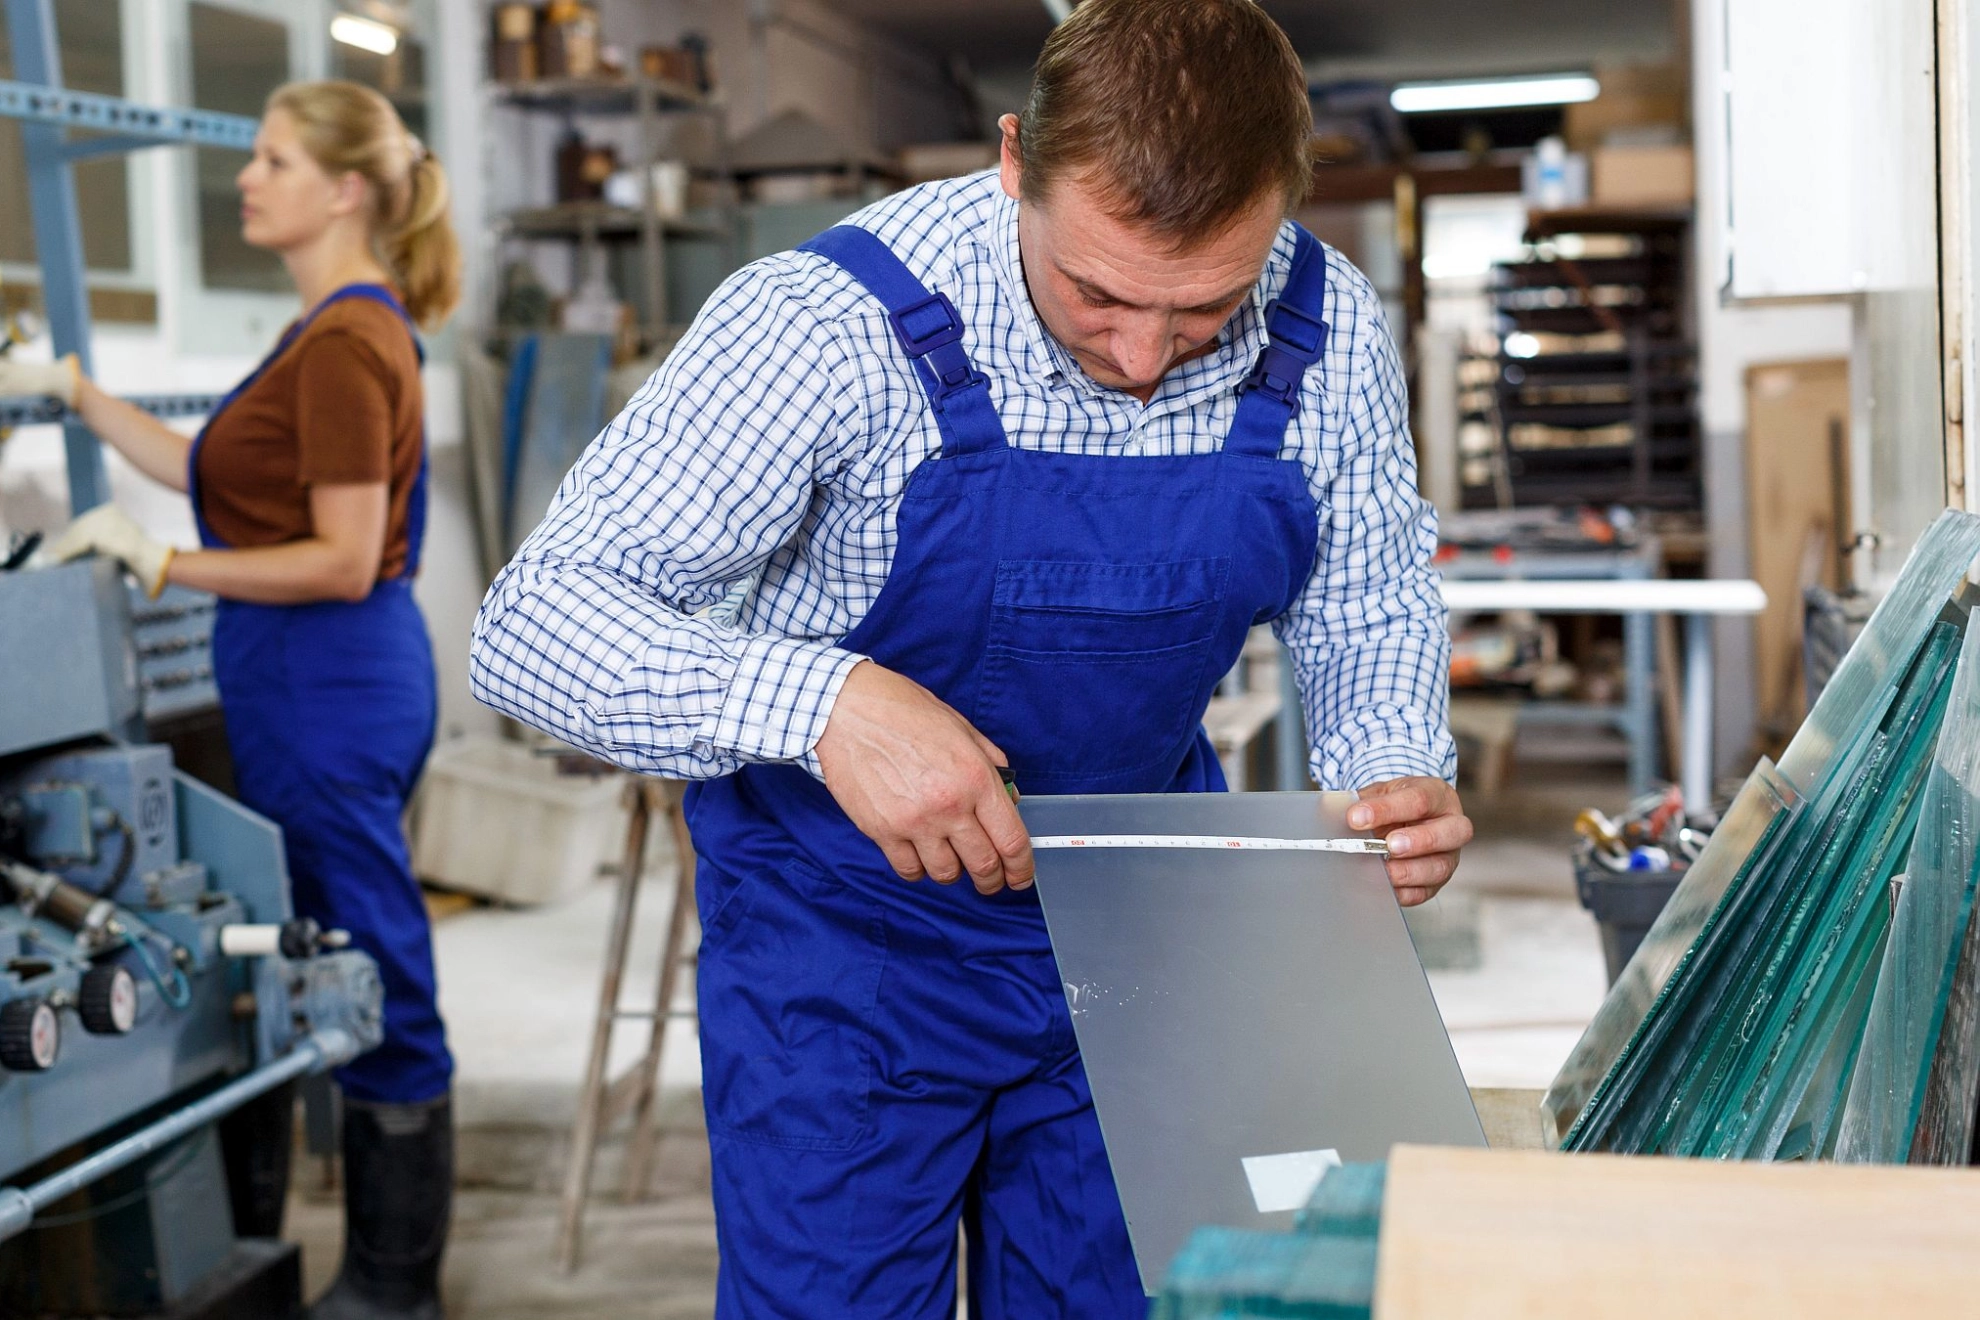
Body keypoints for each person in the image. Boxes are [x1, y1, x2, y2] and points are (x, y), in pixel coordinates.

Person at [472, 1, 1471, 1314]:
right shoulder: (821, 327)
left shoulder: (1325, 320)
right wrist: (823, 699)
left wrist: (1391, 762)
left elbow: (1367, 589)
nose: (1140, 358)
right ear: (1015, 162)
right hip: (847, 952)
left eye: (1205, 312)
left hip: (1149, 928)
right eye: (1099, 294)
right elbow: (532, 623)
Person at [16, 81, 457, 1320]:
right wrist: (78, 393)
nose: (245, 177)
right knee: (327, 942)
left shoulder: (347, 343)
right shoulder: (324, 329)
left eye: (269, 159)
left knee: (375, 958)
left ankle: (393, 1286)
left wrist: (161, 562)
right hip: (306, 676)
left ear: (345, 189)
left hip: (327, 677)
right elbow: (215, 469)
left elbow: (336, 552)